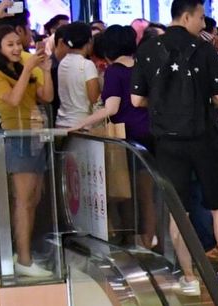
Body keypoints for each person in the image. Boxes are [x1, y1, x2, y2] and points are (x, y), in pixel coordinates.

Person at [132, 0, 218, 293]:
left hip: (167, 142)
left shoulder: (148, 49)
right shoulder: (204, 49)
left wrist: (165, 104)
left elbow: (136, 100)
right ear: (187, 15)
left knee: (180, 211)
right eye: (201, 17)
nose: (204, 24)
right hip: (204, 138)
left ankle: (189, 278)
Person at [68, 25, 156, 249]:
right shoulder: (143, 66)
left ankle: (134, 240)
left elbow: (111, 108)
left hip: (127, 137)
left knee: (129, 192)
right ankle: (151, 239)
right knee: (148, 194)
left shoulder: (115, 71)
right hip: (151, 134)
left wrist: (81, 123)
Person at [0, 25, 53, 277]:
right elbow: (13, 99)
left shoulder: (23, 69)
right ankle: (24, 259)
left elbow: (46, 97)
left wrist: (46, 71)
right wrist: (29, 70)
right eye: (10, 44)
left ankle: (25, 253)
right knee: (22, 201)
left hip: (35, 136)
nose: (17, 48)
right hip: (15, 138)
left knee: (33, 200)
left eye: (18, 44)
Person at [55, 22, 100, 128]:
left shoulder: (63, 62)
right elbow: (94, 99)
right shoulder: (87, 65)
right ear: (89, 41)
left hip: (61, 122)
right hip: (82, 125)